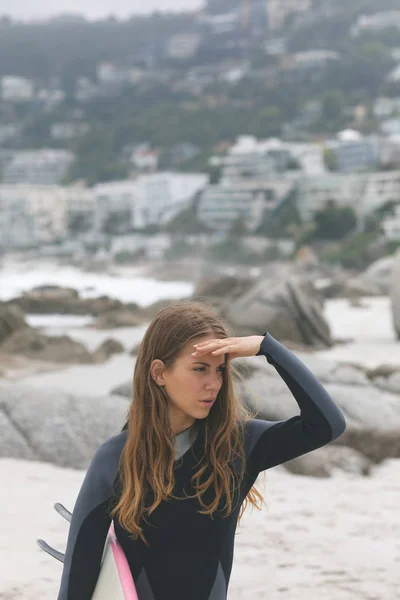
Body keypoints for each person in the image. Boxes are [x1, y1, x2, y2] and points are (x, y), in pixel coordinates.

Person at [57, 299, 346, 600]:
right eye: (199, 369)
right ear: (159, 373)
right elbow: (78, 574)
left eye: (220, 370)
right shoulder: (116, 458)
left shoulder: (238, 446)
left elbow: (327, 425)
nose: (213, 384)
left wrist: (267, 348)